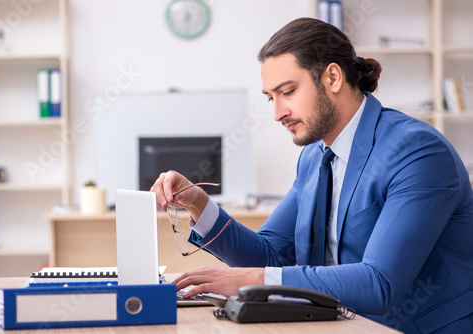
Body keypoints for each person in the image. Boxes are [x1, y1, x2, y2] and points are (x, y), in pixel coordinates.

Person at [150, 18, 473, 333]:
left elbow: (379, 283)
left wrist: (254, 280)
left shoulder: (417, 151)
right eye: (270, 98)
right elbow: (269, 256)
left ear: (333, 77)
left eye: (287, 91)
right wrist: (198, 203)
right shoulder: (314, 157)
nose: (277, 114)